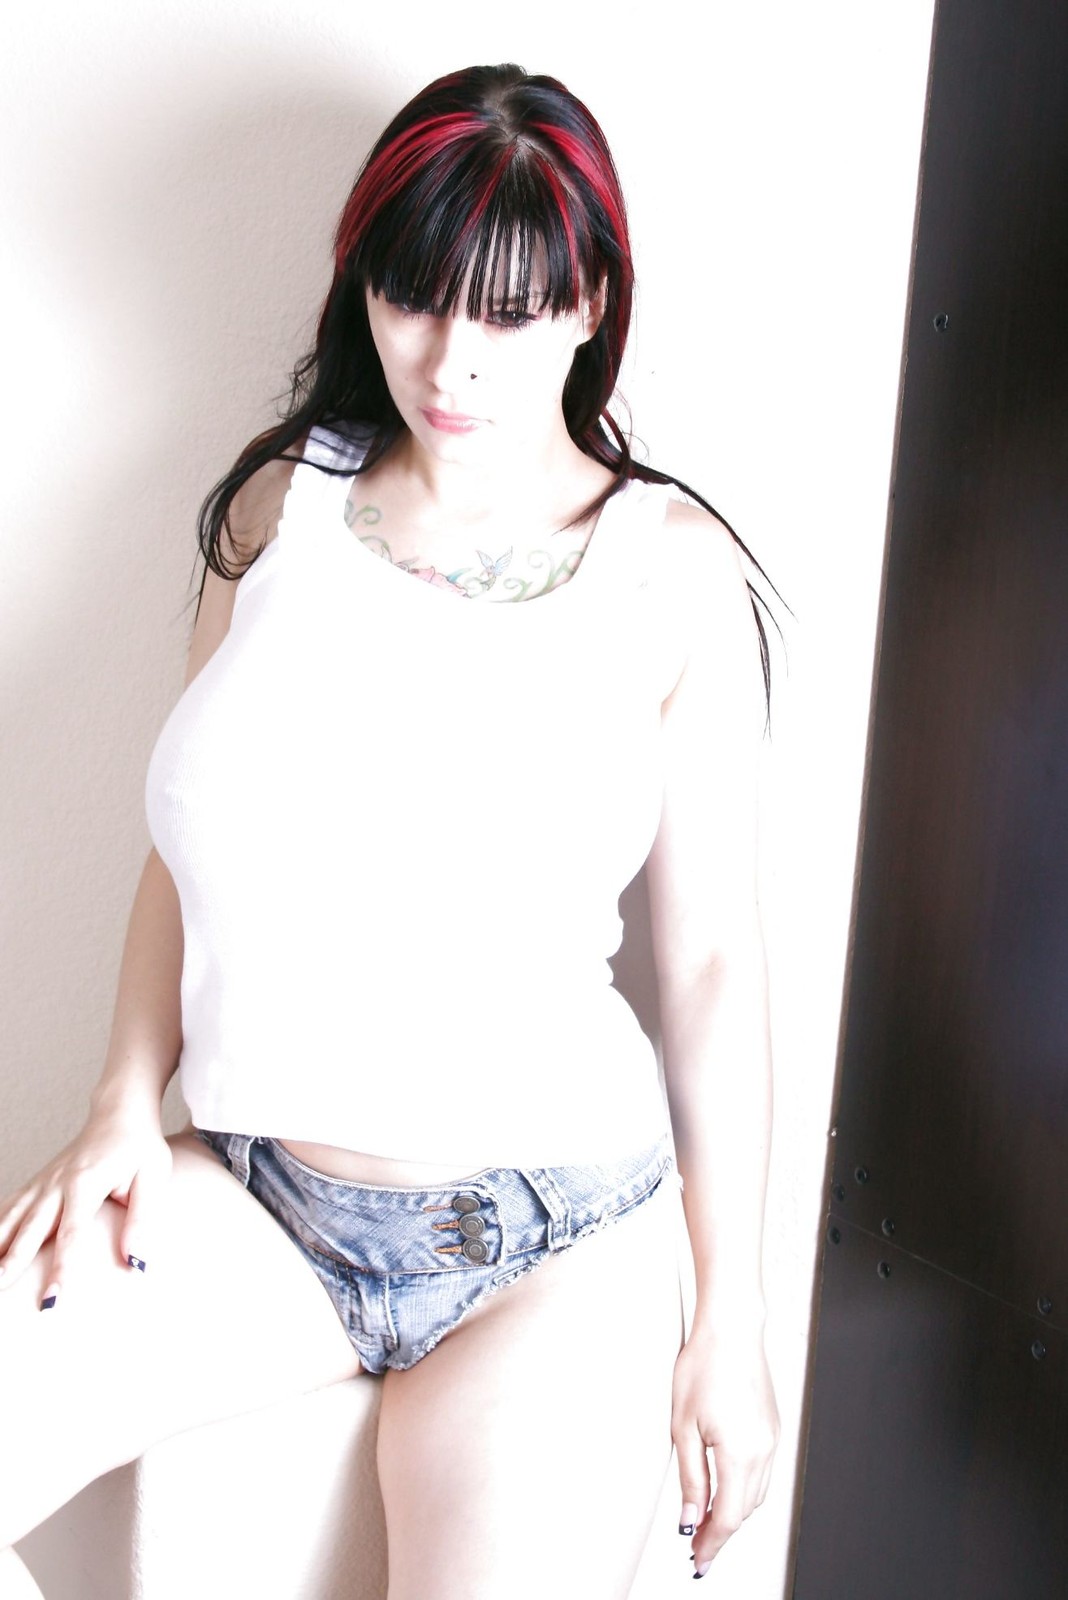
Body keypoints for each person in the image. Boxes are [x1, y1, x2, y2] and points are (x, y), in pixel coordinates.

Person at [0, 62, 779, 1598]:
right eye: (414, 297)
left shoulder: (671, 571)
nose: (451, 360)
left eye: (508, 314)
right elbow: (194, 841)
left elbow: (708, 970)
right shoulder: (280, 509)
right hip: (266, 1201)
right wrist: (120, 1098)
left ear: (589, 303)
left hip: (555, 1241)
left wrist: (731, 1324)